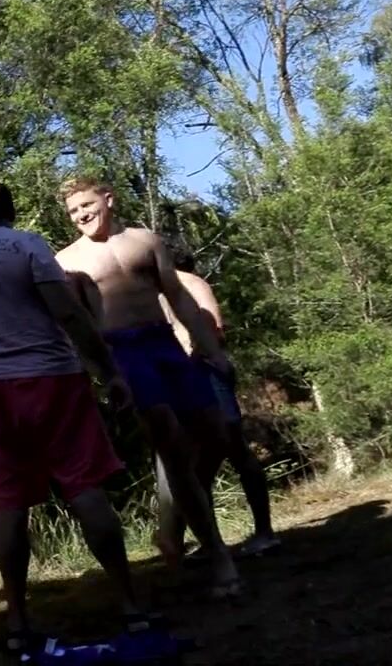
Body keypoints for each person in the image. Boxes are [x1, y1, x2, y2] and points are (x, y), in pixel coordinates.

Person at [0, 182, 153, 655]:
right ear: (11, 212)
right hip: (52, 377)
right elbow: (68, 313)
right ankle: (131, 606)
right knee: (84, 488)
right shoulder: (28, 246)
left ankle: (17, 621)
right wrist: (109, 371)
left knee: (10, 504)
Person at [55, 176, 242, 597]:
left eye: (86, 205)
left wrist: (213, 351)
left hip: (164, 344)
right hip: (124, 353)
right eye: (73, 211)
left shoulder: (145, 241)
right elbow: (77, 327)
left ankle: (173, 523)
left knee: (215, 435)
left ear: (108, 199)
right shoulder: (67, 261)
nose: (81, 215)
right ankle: (218, 555)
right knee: (171, 446)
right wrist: (105, 374)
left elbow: (178, 297)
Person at [156, 251, 280, 559]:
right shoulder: (158, 291)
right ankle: (212, 542)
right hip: (182, 376)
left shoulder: (191, 283)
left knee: (234, 447)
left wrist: (196, 353)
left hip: (206, 370)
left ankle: (264, 532)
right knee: (199, 463)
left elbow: (213, 327)